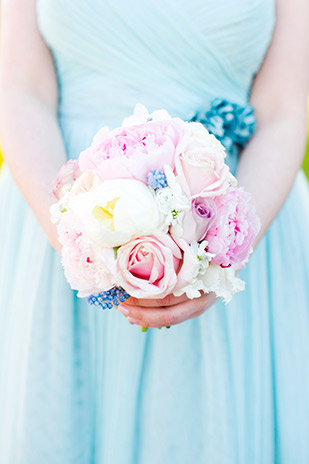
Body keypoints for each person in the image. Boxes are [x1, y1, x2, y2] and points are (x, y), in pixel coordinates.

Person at [0, 0, 308, 462]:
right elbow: (22, 89)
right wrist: (82, 242)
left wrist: (222, 253)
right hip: (60, 208)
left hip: (233, 215)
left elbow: (283, 108)